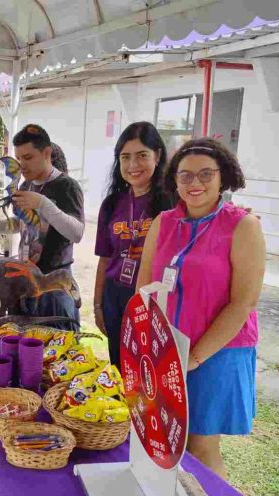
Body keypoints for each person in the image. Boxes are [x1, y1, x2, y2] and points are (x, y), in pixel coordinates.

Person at [136, 137, 266, 479]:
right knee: (164, 439)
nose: (195, 183)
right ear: (174, 180)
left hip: (216, 352)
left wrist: (192, 358)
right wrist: (151, 347)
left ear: (224, 177)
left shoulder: (242, 226)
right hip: (166, 350)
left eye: (206, 174)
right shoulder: (163, 223)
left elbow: (243, 303)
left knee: (200, 446)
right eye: (185, 176)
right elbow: (144, 287)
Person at [93, 122, 175, 365]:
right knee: (119, 366)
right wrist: (98, 305)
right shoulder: (111, 204)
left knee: (150, 368)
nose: (133, 165)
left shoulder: (173, 202)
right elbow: (105, 259)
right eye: (125, 157)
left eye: (142, 156)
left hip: (154, 296)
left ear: (157, 156)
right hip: (116, 294)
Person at [0, 124, 85, 324]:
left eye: (28, 157)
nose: (22, 164)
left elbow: (77, 232)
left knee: (57, 347)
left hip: (55, 283)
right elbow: (23, 222)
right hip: (25, 278)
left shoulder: (67, 186)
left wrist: (43, 204)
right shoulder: (26, 185)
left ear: (47, 153)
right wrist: (1, 225)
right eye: (19, 158)